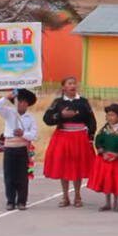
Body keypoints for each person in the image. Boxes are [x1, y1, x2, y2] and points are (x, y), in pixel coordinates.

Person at [43, 76, 97, 208]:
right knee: (64, 165)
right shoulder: (58, 102)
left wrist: (90, 137)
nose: (73, 86)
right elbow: (47, 119)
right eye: (69, 83)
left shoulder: (83, 102)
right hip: (63, 136)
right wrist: (61, 116)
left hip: (79, 137)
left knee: (77, 165)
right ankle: (65, 196)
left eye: (74, 83)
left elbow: (91, 120)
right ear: (63, 87)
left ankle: (78, 195)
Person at [0, 89, 38, 211]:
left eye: (24, 102)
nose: (21, 104)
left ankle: (22, 201)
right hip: (10, 148)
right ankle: (10, 201)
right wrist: (7, 98)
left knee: (22, 176)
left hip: (22, 149)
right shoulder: (9, 113)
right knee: (9, 176)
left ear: (28, 104)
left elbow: (34, 135)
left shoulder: (31, 118)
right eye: (19, 101)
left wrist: (23, 133)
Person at [87, 104, 118, 212]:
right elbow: (98, 141)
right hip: (105, 160)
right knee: (107, 182)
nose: (110, 117)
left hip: (117, 161)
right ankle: (107, 203)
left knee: (116, 182)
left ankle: (116, 203)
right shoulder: (103, 130)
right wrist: (102, 152)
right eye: (108, 115)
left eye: (113, 115)